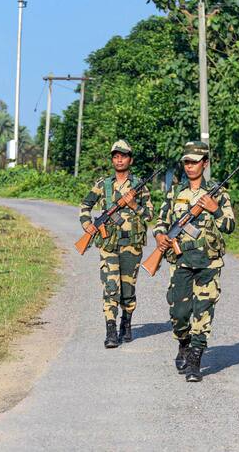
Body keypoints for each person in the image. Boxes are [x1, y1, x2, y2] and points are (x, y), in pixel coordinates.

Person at [152, 141, 235, 382]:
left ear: (205, 164)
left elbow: (229, 226)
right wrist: (159, 235)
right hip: (180, 261)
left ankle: (195, 360)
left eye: (195, 162)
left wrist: (215, 209)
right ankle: (183, 344)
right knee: (179, 313)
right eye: (187, 162)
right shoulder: (176, 193)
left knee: (203, 313)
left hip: (208, 263)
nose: (190, 166)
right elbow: (161, 221)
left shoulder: (218, 193)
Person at [79, 140, 154, 348]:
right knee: (111, 287)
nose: (119, 159)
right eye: (115, 155)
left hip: (132, 245)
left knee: (128, 290)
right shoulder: (103, 184)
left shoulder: (139, 185)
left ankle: (126, 323)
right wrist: (87, 224)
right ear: (112, 159)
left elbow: (149, 215)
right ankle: (110, 330)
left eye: (123, 155)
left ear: (130, 159)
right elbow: (85, 205)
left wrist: (133, 204)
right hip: (108, 245)